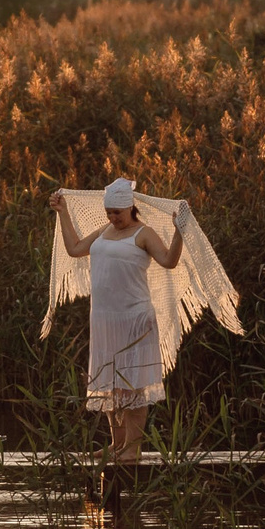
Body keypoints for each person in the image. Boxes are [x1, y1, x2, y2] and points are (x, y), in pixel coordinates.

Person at [49, 177, 187, 462]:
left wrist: (179, 232)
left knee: (133, 382)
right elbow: (74, 248)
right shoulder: (104, 231)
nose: (113, 218)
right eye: (109, 212)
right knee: (111, 381)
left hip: (134, 318)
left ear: (130, 208)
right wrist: (62, 213)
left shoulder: (143, 233)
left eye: (118, 213)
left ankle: (132, 448)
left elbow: (169, 261)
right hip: (104, 320)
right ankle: (117, 443)